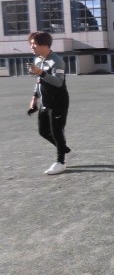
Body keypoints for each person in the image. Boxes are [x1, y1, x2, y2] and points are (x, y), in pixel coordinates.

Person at [27, 31, 72, 175]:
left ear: (45, 44)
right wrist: (34, 98)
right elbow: (38, 81)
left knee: (57, 132)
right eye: (31, 44)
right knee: (43, 132)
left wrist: (41, 72)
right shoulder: (37, 60)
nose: (32, 47)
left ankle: (61, 162)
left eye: (34, 44)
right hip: (45, 102)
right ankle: (66, 151)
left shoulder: (56, 61)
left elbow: (58, 82)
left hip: (58, 102)